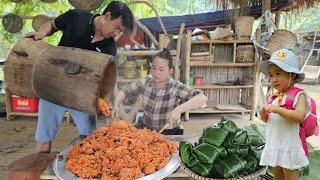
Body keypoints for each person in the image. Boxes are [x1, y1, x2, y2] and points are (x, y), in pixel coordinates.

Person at [25, 1, 134, 153]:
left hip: (82, 96)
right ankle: (42, 172)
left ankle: (84, 170)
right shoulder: (77, 17)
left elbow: (105, 78)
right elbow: (52, 24)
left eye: (120, 31)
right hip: (54, 88)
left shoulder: (109, 47)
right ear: (107, 16)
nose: (116, 33)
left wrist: (109, 102)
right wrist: (41, 33)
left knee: (90, 140)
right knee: (43, 139)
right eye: (117, 28)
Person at [112, 49, 207, 134]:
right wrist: (116, 104)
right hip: (147, 129)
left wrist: (179, 110)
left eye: (161, 69)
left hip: (169, 131)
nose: (156, 73)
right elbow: (125, 91)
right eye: (154, 68)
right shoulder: (145, 81)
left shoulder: (175, 86)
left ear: (169, 71)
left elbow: (202, 98)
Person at [259, 49, 309, 180]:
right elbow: (269, 120)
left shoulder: (299, 95)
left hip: (289, 146)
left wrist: (277, 109)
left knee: (291, 176)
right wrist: (263, 114)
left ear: (292, 75)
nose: (274, 79)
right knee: (278, 176)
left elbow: (299, 116)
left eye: (278, 73)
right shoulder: (274, 97)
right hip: (275, 145)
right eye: (271, 75)